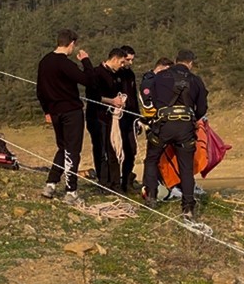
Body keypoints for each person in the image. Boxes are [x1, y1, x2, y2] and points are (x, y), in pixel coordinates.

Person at [141, 49, 208, 220]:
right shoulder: (196, 80)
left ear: (176, 60)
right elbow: (201, 110)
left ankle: (151, 197)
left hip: (163, 125)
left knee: (151, 158)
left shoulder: (159, 77)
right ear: (190, 63)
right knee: (186, 167)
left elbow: (150, 100)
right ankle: (188, 208)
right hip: (185, 127)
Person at [36, 29, 96, 205]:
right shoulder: (65, 64)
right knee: (72, 151)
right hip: (71, 112)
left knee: (62, 147)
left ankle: (51, 184)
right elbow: (88, 80)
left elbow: (40, 90)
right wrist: (86, 60)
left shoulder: (44, 61)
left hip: (54, 112)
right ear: (71, 44)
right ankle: (71, 191)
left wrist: (46, 110)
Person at [84, 47, 128, 189]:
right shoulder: (97, 74)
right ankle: (103, 182)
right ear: (114, 59)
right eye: (121, 62)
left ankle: (115, 182)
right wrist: (112, 101)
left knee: (113, 149)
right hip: (97, 117)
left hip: (111, 118)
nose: (122, 66)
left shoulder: (117, 75)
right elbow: (92, 96)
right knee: (101, 149)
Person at [115, 45, 141, 192]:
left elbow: (134, 98)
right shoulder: (115, 74)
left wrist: (138, 118)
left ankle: (126, 180)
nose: (130, 63)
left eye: (132, 60)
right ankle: (114, 182)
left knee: (131, 149)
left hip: (131, 117)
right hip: (118, 117)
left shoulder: (130, 74)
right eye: (128, 59)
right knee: (117, 151)